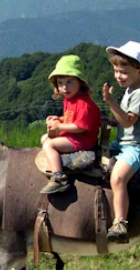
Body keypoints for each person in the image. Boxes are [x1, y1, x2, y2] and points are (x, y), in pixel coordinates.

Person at [102, 41, 140, 243]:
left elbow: (128, 121)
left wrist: (111, 103)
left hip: (137, 147)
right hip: (124, 143)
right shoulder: (131, 88)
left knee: (117, 177)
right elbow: (123, 121)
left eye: (123, 72)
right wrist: (111, 122)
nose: (118, 76)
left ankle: (120, 222)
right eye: (116, 71)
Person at [40, 54, 101, 194]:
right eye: (60, 83)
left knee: (49, 144)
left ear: (80, 83)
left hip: (83, 140)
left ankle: (59, 178)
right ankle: (55, 161)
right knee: (44, 138)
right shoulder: (70, 99)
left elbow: (80, 127)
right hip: (74, 136)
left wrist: (58, 127)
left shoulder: (84, 103)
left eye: (69, 82)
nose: (64, 87)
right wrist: (59, 119)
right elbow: (71, 118)